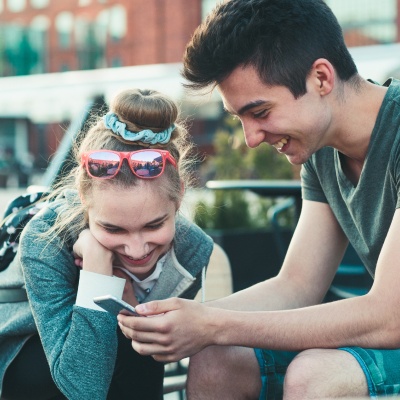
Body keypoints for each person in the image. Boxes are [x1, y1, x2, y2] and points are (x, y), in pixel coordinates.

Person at [117, 0, 400, 398]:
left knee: (315, 374)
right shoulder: (320, 151)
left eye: (261, 111)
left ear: (321, 78)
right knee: (217, 358)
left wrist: (214, 324)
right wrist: (186, 321)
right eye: (240, 119)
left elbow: (389, 317)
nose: (251, 139)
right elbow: (297, 286)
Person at [0, 88, 218, 400]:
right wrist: (98, 274)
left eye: (154, 225)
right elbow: (82, 387)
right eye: (113, 229)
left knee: (140, 345)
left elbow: (156, 357)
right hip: (30, 359)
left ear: (180, 194)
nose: (137, 249)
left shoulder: (192, 252)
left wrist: (131, 309)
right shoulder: (44, 238)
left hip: (121, 367)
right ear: (85, 200)